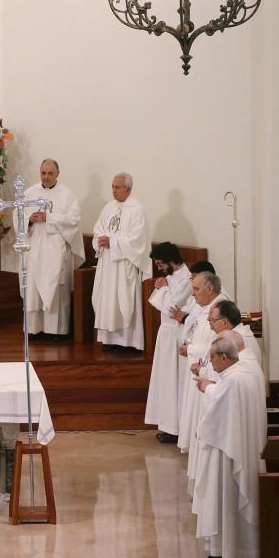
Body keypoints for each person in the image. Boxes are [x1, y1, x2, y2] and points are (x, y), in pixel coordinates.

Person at [191, 334, 266, 558]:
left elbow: (218, 408)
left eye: (212, 358)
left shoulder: (234, 380)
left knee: (227, 495)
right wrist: (212, 386)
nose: (210, 363)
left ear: (224, 357)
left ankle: (232, 550)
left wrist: (206, 388)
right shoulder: (243, 374)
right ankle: (238, 548)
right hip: (240, 444)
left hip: (228, 450)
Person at [18, 159, 84, 341]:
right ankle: (34, 329)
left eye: (50, 173)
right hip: (34, 248)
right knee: (33, 287)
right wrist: (29, 219)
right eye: (43, 173)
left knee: (56, 288)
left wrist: (49, 217)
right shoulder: (29, 193)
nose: (46, 177)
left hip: (56, 247)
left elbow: (74, 219)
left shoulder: (68, 194)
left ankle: (57, 331)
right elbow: (18, 218)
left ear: (57, 174)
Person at [176, 272, 227, 492]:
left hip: (209, 377)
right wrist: (190, 345)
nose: (193, 293)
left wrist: (192, 349)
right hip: (201, 371)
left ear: (210, 289)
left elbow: (218, 345)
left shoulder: (219, 309)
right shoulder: (208, 309)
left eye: (196, 289)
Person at [91, 173, 151, 352]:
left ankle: (127, 342)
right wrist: (101, 239)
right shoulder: (108, 207)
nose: (114, 191)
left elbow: (137, 239)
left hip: (124, 264)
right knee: (107, 300)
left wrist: (113, 242)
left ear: (128, 189)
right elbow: (98, 229)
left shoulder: (137, 210)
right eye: (112, 187)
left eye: (117, 187)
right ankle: (109, 339)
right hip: (107, 264)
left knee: (123, 301)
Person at [144, 242, 193, 443]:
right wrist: (163, 285)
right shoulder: (172, 277)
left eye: (160, 264)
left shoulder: (187, 278)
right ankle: (168, 424)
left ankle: (176, 428)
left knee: (174, 381)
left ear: (171, 261)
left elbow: (171, 307)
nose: (159, 269)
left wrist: (164, 288)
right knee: (165, 381)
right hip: (166, 334)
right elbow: (158, 299)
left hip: (175, 334)